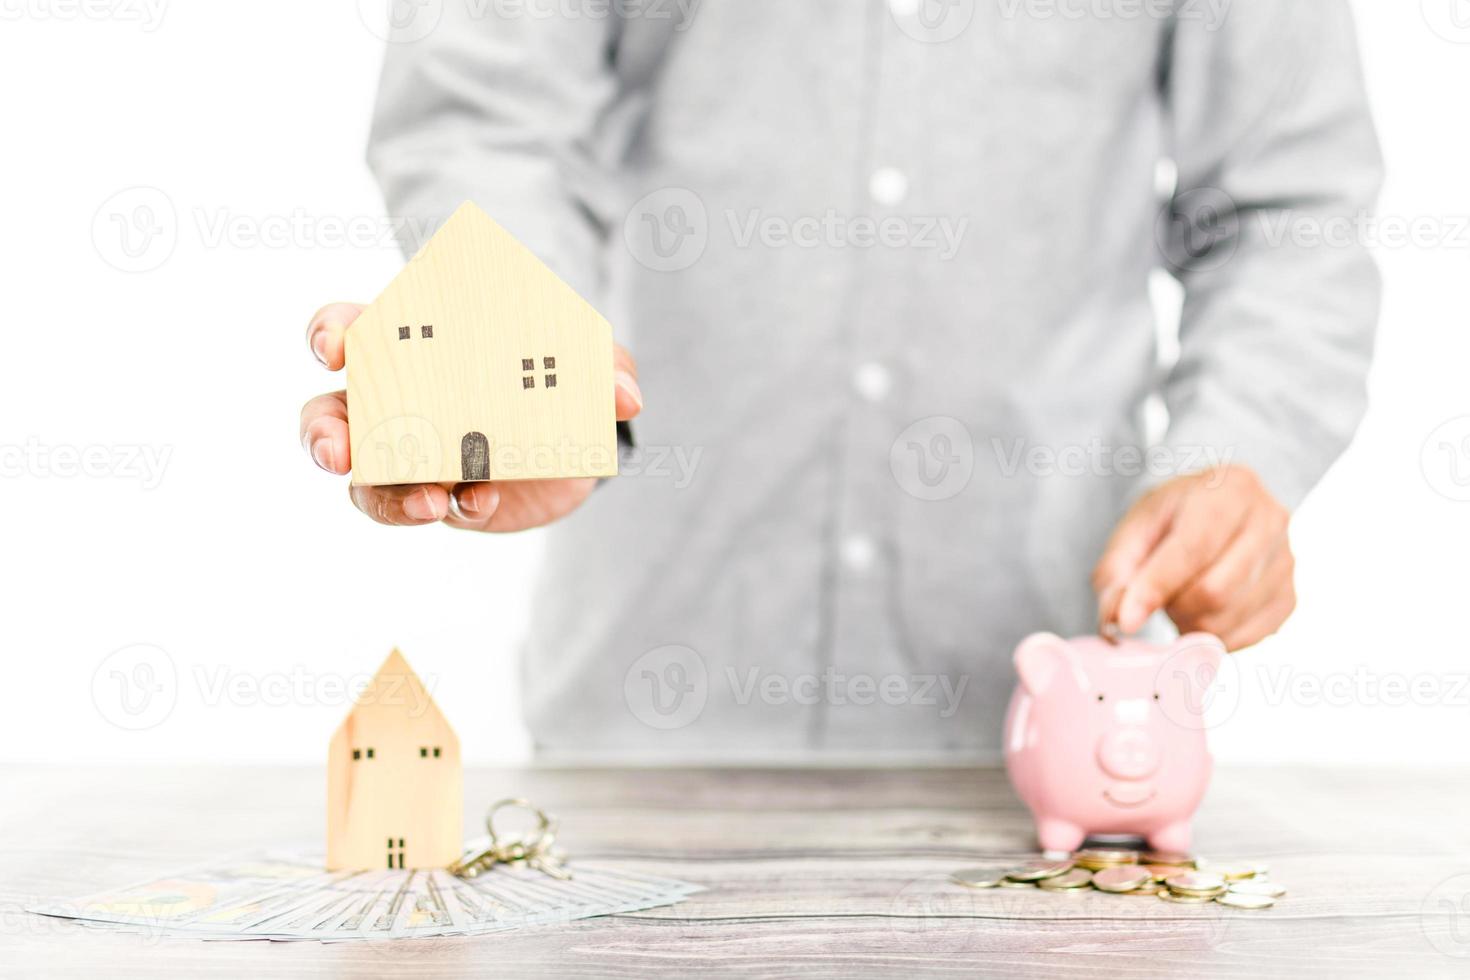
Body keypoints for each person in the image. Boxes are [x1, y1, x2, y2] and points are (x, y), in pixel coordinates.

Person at [299, 0, 1381, 758]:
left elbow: (1289, 209)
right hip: (654, 703)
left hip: (1065, 722)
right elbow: (487, 112)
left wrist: (1235, 455)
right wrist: (530, 384)